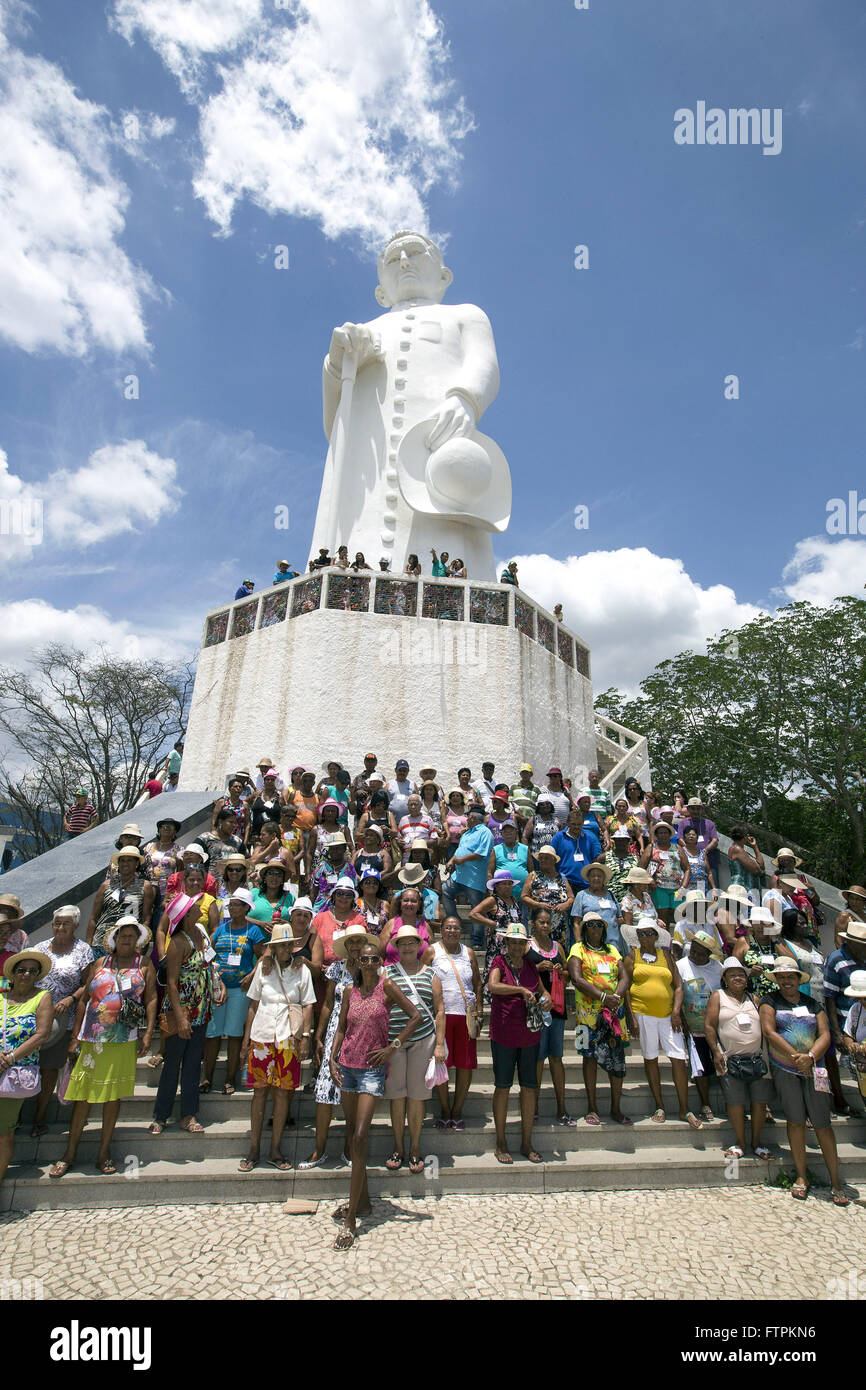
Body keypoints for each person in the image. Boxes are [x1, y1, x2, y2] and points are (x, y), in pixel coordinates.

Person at [328, 942, 421, 1250]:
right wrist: (331, 1057)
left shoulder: (387, 986)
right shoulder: (349, 991)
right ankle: (363, 1202)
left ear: (380, 962)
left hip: (371, 1070)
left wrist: (393, 1046)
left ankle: (351, 1218)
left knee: (359, 1136)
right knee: (354, 1138)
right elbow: (341, 1026)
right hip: (347, 1066)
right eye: (363, 958)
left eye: (372, 958)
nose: (367, 962)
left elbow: (415, 1016)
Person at [49, 919, 156, 1178]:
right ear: (115, 940)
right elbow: (85, 1000)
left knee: (112, 1098)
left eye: (131, 936)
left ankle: (103, 1152)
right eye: (122, 936)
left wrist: (149, 1032)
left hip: (123, 1039)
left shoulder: (144, 965)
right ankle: (69, 1153)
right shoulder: (99, 964)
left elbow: (151, 997)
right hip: (93, 1039)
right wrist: (74, 1036)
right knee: (83, 1097)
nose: (126, 940)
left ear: (137, 940)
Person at [759, 960, 849, 1205]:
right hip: (785, 1068)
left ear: (799, 979)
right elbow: (769, 1031)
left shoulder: (813, 1004)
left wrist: (809, 1057)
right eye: (782, 977)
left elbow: (825, 1034)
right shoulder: (770, 1002)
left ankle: (836, 1181)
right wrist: (795, 1057)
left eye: (791, 977)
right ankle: (801, 1176)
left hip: (814, 1068)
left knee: (822, 1123)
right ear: (777, 980)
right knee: (796, 1120)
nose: (787, 981)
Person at [299, 922, 378, 1170]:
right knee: (324, 1094)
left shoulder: (374, 969)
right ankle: (319, 1149)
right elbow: (326, 1005)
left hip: (360, 1034)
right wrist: (318, 1035)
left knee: (352, 1095)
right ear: (346, 946)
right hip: (336, 1029)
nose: (355, 946)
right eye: (351, 942)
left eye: (358, 942)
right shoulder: (336, 969)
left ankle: (350, 1147)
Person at [238, 924, 316, 1173]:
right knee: (259, 1092)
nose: (285, 948)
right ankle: (253, 1148)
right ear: (272, 947)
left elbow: (308, 1005)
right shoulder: (264, 967)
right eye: (280, 944)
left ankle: (275, 1148)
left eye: (288, 944)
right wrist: (245, 1039)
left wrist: (305, 1037)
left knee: (283, 1093)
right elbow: (253, 1004)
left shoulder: (301, 969)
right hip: (262, 1033)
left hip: (288, 1035)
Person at [149, 893, 224, 1136]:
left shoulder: (201, 932)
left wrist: (218, 985)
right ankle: (161, 1115)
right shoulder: (178, 942)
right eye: (193, 908)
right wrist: (180, 1018)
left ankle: (188, 1114)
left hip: (201, 1010)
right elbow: (171, 983)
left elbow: (210, 963)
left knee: (193, 1065)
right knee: (173, 1064)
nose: (198, 910)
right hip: (180, 1011)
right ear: (185, 916)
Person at [620, 918, 703, 1128]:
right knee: (651, 1058)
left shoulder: (666, 956)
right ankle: (660, 1105)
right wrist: (630, 1017)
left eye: (649, 933)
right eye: (641, 933)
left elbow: (678, 986)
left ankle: (684, 1108)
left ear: (656, 936)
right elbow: (626, 988)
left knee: (677, 1058)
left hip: (668, 1015)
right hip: (643, 1013)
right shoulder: (632, 956)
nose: (645, 937)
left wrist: (676, 1011)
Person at [383, 923, 446, 1175]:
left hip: (423, 1040)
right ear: (396, 947)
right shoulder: (387, 973)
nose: (407, 947)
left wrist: (439, 1044)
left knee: (418, 1096)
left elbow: (439, 1009)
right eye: (403, 943)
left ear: (419, 946)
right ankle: (398, 1147)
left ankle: (415, 1148)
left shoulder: (431, 974)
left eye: (412, 942)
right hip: (395, 1041)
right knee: (397, 1096)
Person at [777, 906, 849, 1114]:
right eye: (799, 923)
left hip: (822, 1002)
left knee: (827, 1055)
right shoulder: (784, 944)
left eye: (805, 922)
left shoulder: (810, 944)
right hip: (803, 1005)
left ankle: (836, 1096)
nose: (804, 925)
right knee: (809, 1053)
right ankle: (813, 1105)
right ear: (790, 925)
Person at [30, 906, 94, 1137]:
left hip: (64, 1018)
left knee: (48, 1069)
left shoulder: (83, 950)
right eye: (57, 922)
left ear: (76, 925)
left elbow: (88, 983)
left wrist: (71, 998)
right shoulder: (39, 949)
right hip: (36, 1016)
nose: (60, 927)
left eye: (66, 923)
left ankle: (39, 1117)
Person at [488, 923, 549, 1164]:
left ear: (525, 945)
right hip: (504, 1033)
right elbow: (493, 986)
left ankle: (526, 1141)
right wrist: (520, 990)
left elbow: (544, 992)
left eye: (519, 942)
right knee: (502, 1086)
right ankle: (501, 1141)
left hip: (529, 1034)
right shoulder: (498, 963)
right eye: (511, 942)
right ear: (506, 943)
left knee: (529, 1087)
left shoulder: (532, 965)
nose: (515, 946)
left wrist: (545, 1000)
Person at [704, 958, 772, 1161]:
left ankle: (757, 1142)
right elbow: (709, 1026)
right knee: (735, 1102)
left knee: (759, 1102)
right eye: (732, 974)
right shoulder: (718, 996)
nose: (737, 977)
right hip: (729, 1058)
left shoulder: (754, 999)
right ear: (724, 978)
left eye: (741, 974)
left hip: (757, 1058)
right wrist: (716, 1051)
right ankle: (741, 1142)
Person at [568, 911, 630, 1125]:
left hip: (614, 1013)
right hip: (587, 1015)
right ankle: (592, 1107)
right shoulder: (578, 948)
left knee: (617, 1059)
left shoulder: (612, 949)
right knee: (589, 1057)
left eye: (599, 925)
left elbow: (624, 976)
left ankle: (616, 1108)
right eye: (591, 925)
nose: (595, 928)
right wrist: (603, 997)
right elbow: (576, 978)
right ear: (585, 928)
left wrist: (616, 997)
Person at [0, 950, 53, 1184]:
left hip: (13, 1072)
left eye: (32, 970)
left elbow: (41, 1034)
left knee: (3, 1132)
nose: (27, 974)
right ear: (13, 973)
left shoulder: (42, 997)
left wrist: (9, 1058)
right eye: (22, 970)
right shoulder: (1, 995)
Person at [200, 888, 259, 1096]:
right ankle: (207, 1076)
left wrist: (252, 975)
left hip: (239, 990)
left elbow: (263, 955)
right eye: (231, 904)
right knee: (213, 1034)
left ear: (246, 908)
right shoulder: (221, 930)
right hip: (217, 989)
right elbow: (209, 953)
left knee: (234, 1035)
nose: (231, 908)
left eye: (236, 904)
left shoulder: (253, 931)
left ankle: (229, 1078)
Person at [431, 917, 481, 1130]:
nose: (452, 931)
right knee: (442, 1064)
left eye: (456, 928)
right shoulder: (432, 952)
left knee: (465, 1065)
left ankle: (457, 1109)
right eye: (448, 927)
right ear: (441, 930)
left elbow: (478, 982)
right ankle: (444, 1108)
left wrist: (478, 1009)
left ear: (461, 931)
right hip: (442, 1015)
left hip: (465, 1015)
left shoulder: (468, 953)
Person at [526, 906, 574, 1124]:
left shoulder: (558, 947)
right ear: (533, 923)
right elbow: (520, 972)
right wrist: (538, 967)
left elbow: (567, 974)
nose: (545, 925)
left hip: (557, 1006)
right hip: (535, 1008)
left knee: (557, 1057)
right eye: (541, 922)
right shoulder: (527, 946)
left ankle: (562, 1106)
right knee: (537, 1059)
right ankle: (533, 1107)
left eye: (548, 922)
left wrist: (558, 969)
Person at [676, 929, 724, 1123]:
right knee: (701, 1066)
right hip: (693, 1025)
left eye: (700, 953)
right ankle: (705, 1103)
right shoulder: (680, 966)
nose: (694, 956)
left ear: (708, 954)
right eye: (692, 951)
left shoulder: (718, 968)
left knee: (721, 1062)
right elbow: (676, 993)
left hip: (717, 1024)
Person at [86, 847, 156, 959]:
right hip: (101, 942)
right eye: (122, 860)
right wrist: (88, 945)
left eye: (129, 860)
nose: (125, 864)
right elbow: (94, 917)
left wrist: (141, 945)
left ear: (137, 863)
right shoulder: (106, 885)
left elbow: (146, 918)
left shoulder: (145, 886)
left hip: (128, 943)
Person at [441, 806, 494, 940]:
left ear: (472, 818)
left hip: (474, 878)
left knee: (476, 908)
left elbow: (481, 853)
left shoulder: (485, 833)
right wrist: (452, 861)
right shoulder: (467, 832)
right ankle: (455, 918)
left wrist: (461, 860)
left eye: (467, 817)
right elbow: (461, 849)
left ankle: (477, 939)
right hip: (459, 876)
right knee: (445, 891)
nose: (465, 820)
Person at [469, 868, 523, 1000]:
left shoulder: (514, 900)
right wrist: (491, 923)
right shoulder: (493, 900)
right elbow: (473, 913)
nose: (507, 887)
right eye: (503, 884)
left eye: (509, 883)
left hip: (514, 943)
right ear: (496, 886)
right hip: (498, 944)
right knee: (496, 969)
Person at [824, 920, 866, 1082]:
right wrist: (837, 1032)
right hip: (848, 1020)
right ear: (851, 942)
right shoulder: (836, 960)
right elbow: (829, 997)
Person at [520, 844, 574, 944]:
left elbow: (571, 897)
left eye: (546, 858)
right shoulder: (533, 876)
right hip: (540, 925)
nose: (543, 860)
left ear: (554, 860)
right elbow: (524, 897)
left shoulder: (562, 877)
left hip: (560, 925)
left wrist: (565, 905)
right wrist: (538, 905)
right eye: (541, 858)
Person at [640, 821, 687, 925]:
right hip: (658, 888)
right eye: (660, 833)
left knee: (680, 916)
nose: (663, 835)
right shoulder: (651, 847)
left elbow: (687, 868)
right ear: (656, 835)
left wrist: (683, 886)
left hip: (677, 888)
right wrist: (650, 879)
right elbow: (642, 867)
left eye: (665, 833)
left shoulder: (677, 848)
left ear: (669, 834)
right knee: (662, 917)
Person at [571, 861, 623, 954]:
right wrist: (579, 943)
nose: (596, 878)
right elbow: (576, 923)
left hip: (614, 945)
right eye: (593, 876)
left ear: (604, 879)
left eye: (599, 876)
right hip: (591, 946)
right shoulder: (581, 895)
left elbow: (619, 919)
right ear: (588, 878)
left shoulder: (610, 895)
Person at [488, 820, 530, 912]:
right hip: (502, 896)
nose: (508, 833)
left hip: (522, 896)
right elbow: (489, 873)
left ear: (516, 832)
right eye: (505, 831)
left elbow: (532, 872)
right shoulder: (496, 849)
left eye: (511, 830)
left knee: (522, 924)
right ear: (501, 834)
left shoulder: (525, 849)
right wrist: (491, 893)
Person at [523, 795, 560, 867]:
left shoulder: (557, 820)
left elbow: (562, 838)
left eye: (547, 804)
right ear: (538, 807)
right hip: (537, 857)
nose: (545, 806)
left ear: (551, 805)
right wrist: (527, 855)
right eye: (542, 804)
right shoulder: (534, 819)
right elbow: (524, 837)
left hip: (553, 857)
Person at [727, 826, 765, 894]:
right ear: (745, 837)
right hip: (740, 889)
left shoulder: (741, 851)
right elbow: (756, 871)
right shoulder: (737, 849)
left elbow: (761, 866)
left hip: (747, 889)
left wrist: (755, 847)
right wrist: (760, 870)